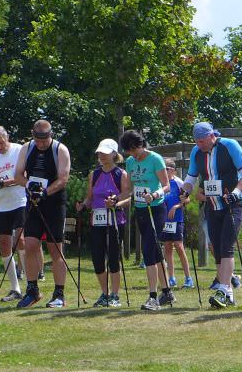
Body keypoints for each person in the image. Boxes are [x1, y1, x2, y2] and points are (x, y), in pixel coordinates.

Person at [183, 121, 242, 308]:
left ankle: (223, 289)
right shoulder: (196, 152)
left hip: (233, 203)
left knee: (227, 245)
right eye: (196, 141)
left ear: (212, 136)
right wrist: (185, 191)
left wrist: (236, 192)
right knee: (217, 248)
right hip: (212, 205)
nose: (199, 145)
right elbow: (191, 177)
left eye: (202, 141)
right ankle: (228, 294)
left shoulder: (229, 145)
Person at [12, 120, 72, 308]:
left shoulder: (60, 150)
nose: (41, 144)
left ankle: (59, 294)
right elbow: (18, 175)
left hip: (54, 204)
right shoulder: (27, 148)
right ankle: (32, 291)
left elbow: (63, 179)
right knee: (30, 245)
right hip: (33, 203)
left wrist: (45, 192)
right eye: (38, 140)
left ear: (50, 135)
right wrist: (30, 186)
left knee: (55, 249)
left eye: (44, 140)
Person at [121, 129, 174, 311]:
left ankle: (153, 297)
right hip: (141, 209)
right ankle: (167, 292)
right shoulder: (130, 162)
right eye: (129, 152)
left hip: (156, 209)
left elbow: (166, 186)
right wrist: (116, 199)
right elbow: (129, 189)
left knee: (148, 250)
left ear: (140, 145)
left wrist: (154, 194)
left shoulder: (155, 159)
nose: (133, 155)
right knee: (155, 251)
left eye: (134, 150)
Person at [80, 139, 130, 307]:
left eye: (105, 153)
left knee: (114, 258)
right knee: (97, 258)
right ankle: (105, 293)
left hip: (115, 220)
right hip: (97, 221)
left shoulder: (120, 174)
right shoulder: (94, 174)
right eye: (100, 152)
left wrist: (115, 202)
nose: (101, 155)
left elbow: (127, 196)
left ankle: (115, 295)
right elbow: (90, 197)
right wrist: (83, 205)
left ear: (114, 154)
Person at [0, 126, 25, 301]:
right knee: (4, 244)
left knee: (21, 239)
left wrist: (5, 183)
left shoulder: (19, 150)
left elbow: (24, 176)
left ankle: (31, 283)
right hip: (1, 205)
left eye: (1, 143)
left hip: (20, 200)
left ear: (7, 137)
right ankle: (15, 288)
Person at [162, 169, 193, 290]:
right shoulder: (161, 182)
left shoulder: (179, 182)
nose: (164, 170)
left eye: (167, 168)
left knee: (179, 246)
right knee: (167, 247)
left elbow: (187, 199)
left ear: (173, 170)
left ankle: (188, 278)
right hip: (165, 221)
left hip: (177, 220)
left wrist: (176, 206)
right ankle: (171, 278)